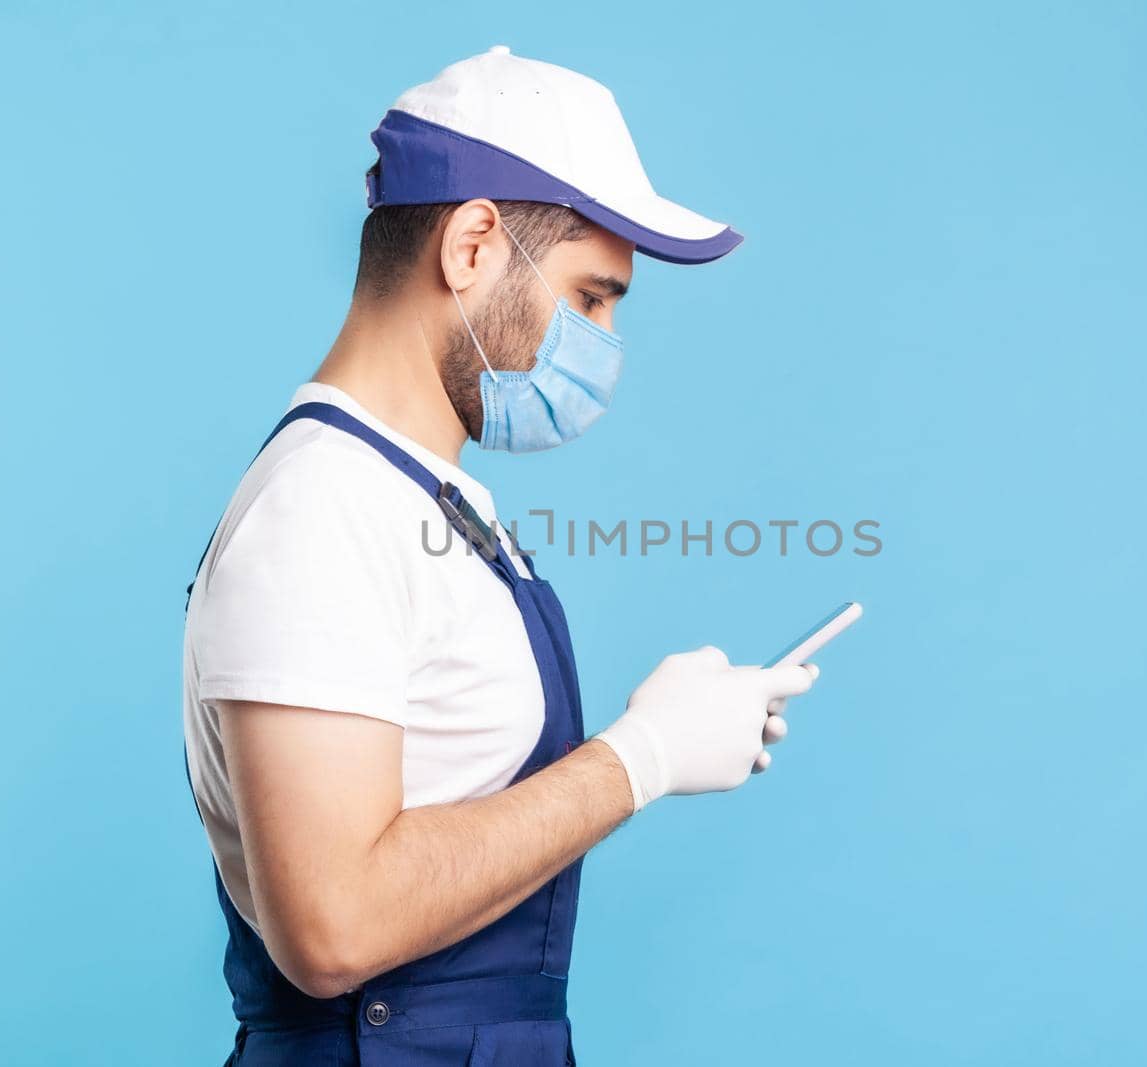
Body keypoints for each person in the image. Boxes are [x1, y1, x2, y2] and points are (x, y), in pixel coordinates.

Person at [180, 45, 819, 1066]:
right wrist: (641, 755)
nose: (606, 342)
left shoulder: (422, 497)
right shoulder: (324, 506)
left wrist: (669, 734)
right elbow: (331, 924)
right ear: (473, 244)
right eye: (594, 296)